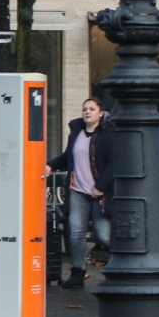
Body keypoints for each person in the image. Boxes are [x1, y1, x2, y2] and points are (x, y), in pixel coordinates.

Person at [45, 98, 115, 289]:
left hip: (99, 193)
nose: (87, 112)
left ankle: (123, 265)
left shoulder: (107, 135)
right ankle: (77, 273)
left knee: (103, 235)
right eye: (85, 109)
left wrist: (100, 186)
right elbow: (68, 156)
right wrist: (51, 165)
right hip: (78, 190)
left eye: (92, 109)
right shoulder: (76, 133)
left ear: (101, 113)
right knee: (76, 233)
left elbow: (114, 163)